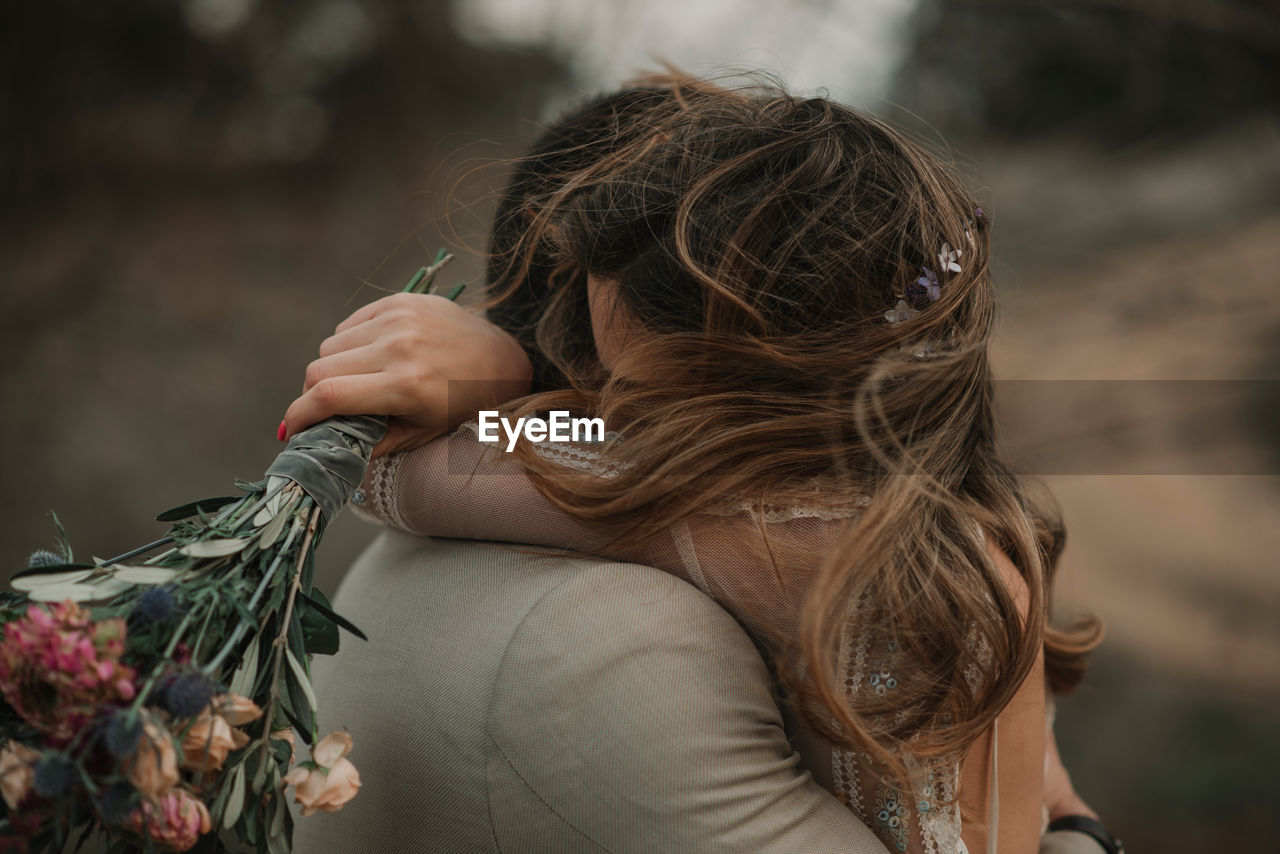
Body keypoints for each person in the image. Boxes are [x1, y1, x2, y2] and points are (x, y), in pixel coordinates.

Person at [283, 74, 1120, 854]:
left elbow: (432, 473)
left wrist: (499, 387)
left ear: (791, 403)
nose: (606, 424)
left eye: (637, 405)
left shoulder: (816, 549)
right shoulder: (930, 524)